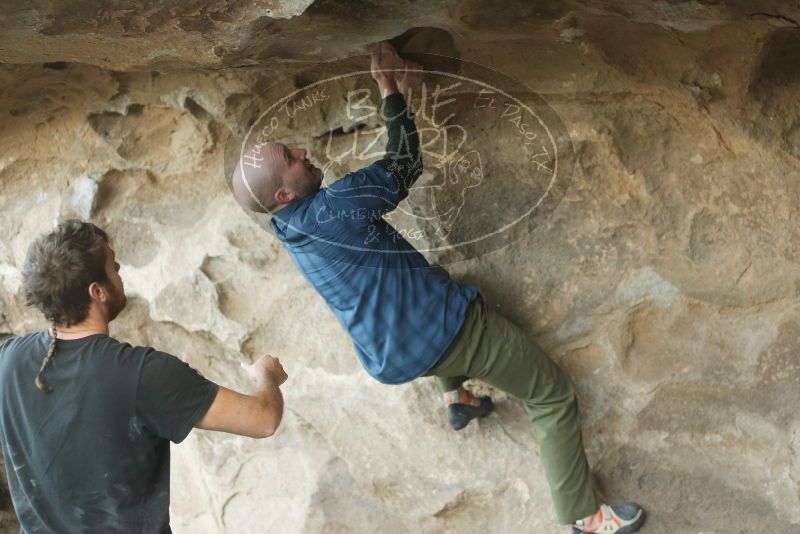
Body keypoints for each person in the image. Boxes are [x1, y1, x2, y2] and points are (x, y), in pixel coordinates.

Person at [231, 41, 645, 533]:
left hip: (391, 353)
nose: (302, 150)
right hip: (449, 335)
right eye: (290, 157)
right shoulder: (333, 208)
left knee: (441, 282)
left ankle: (456, 398)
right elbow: (403, 166)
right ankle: (584, 517)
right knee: (551, 395)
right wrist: (390, 91)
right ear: (282, 193)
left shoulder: (288, 227)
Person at [0, 220, 289, 533]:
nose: (120, 271)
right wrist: (266, 376)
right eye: (115, 266)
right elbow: (263, 419)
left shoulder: (9, 359)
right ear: (97, 292)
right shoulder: (143, 374)